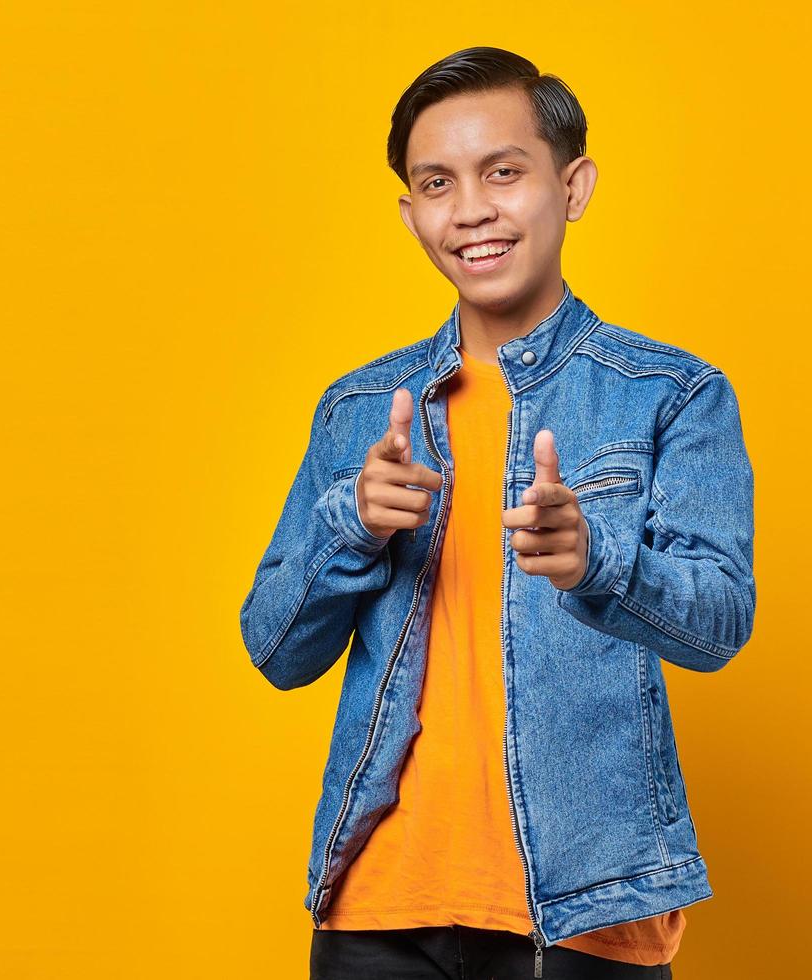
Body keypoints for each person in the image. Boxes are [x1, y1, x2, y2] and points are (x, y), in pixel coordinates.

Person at [240, 46, 756, 979]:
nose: (470, 208)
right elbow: (276, 651)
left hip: (587, 905)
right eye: (437, 182)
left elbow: (719, 621)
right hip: (377, 908)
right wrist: (349, 526)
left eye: (503, 172)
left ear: (574, 186)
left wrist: (594, 561)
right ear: (411, 214)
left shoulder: (672, 394)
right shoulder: (360, 410)